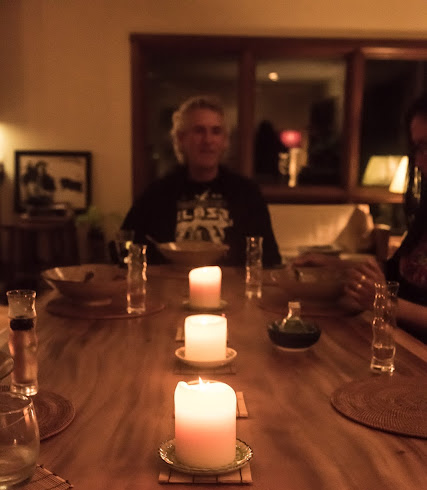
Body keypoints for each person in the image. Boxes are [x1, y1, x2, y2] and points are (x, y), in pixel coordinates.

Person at [294, 92, 427, 342]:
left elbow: (391, 296)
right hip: (396, 341)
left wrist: (387, 304)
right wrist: (333, 265)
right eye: (416, 148)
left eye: (426, 146)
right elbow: (396, 272)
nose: (418, 161)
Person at [121, 95, 281, 267]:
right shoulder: (156, 194)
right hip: (171, 282)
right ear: (181, 139)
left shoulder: (247, 193)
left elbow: (269, 259)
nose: (208, 140)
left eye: (216, 131)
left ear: (224, 141)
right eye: (199, 131)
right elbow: (126, 249)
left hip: (231, 283)